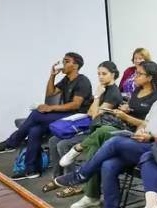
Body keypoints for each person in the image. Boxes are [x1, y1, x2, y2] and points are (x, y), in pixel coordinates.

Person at [55, 65, 157, 208]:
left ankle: (81, 174)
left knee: (114, 142)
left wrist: (150, 136)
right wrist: (142, 130)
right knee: (108, 165)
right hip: (145, 144)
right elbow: (146, 124)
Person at [56, 61, 157, 203]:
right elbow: (92, 113)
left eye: (140, 74)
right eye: (135, 73)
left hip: (136, 133)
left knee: (102, 132)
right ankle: (90, 195)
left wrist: (124, 115)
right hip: (122, 126)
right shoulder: (137, 90)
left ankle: (79, 157)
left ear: (149, 77)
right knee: (95, 144)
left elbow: (147, 123)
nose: (135, 76)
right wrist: (126, 108)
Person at [0, 52, 93, 180]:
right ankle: (31, 170)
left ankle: (11, 143)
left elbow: (75, 105)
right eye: (63, 61)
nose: (63, 64)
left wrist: (51, 108)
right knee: (34, 130)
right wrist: (52, 76)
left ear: (75, 66)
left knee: (37, 114)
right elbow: (50, 93)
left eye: (66, 61)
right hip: (65, 116)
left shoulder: (82, 81)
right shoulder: (66, 80)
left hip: (76, 118)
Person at [45, 60, 123, 188]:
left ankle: (71, 182)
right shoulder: (104, 89)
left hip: (98, 131)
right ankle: (57, 178)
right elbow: (90, 112)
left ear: (113, 74)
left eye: (104, 74)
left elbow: (95, 114)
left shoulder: (113, 93)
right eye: (99, 74)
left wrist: (97, 97)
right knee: (53, 140)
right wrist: (96, 101)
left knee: (63, 144)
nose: (100, 77)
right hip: (90, 126)